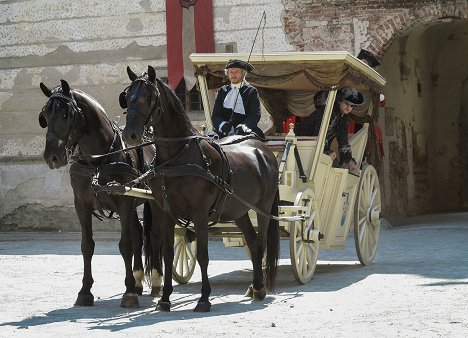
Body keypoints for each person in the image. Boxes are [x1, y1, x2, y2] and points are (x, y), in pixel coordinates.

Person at [294, 87, 363, 175]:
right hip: (302, 144)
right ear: (339, 101)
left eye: (352, 106)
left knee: (338, 169)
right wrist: (327, 151)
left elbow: (343, 143)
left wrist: (349, 160)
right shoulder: (326, 111)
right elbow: (317, 136)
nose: (349, 107)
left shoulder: (343, 119)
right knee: (334, 169)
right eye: (346, 103)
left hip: (318, 148)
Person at [211, 59, 264, 139]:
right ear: (227, 74)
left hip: (245, 130)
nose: (233, 75)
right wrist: (222, 124)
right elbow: (216, 114)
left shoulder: (251, 91)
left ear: (243, 74)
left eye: (237, 72)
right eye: (231, 72)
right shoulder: (223, 90)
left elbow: (254, 115)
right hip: (224, 131)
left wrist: (244, 126)